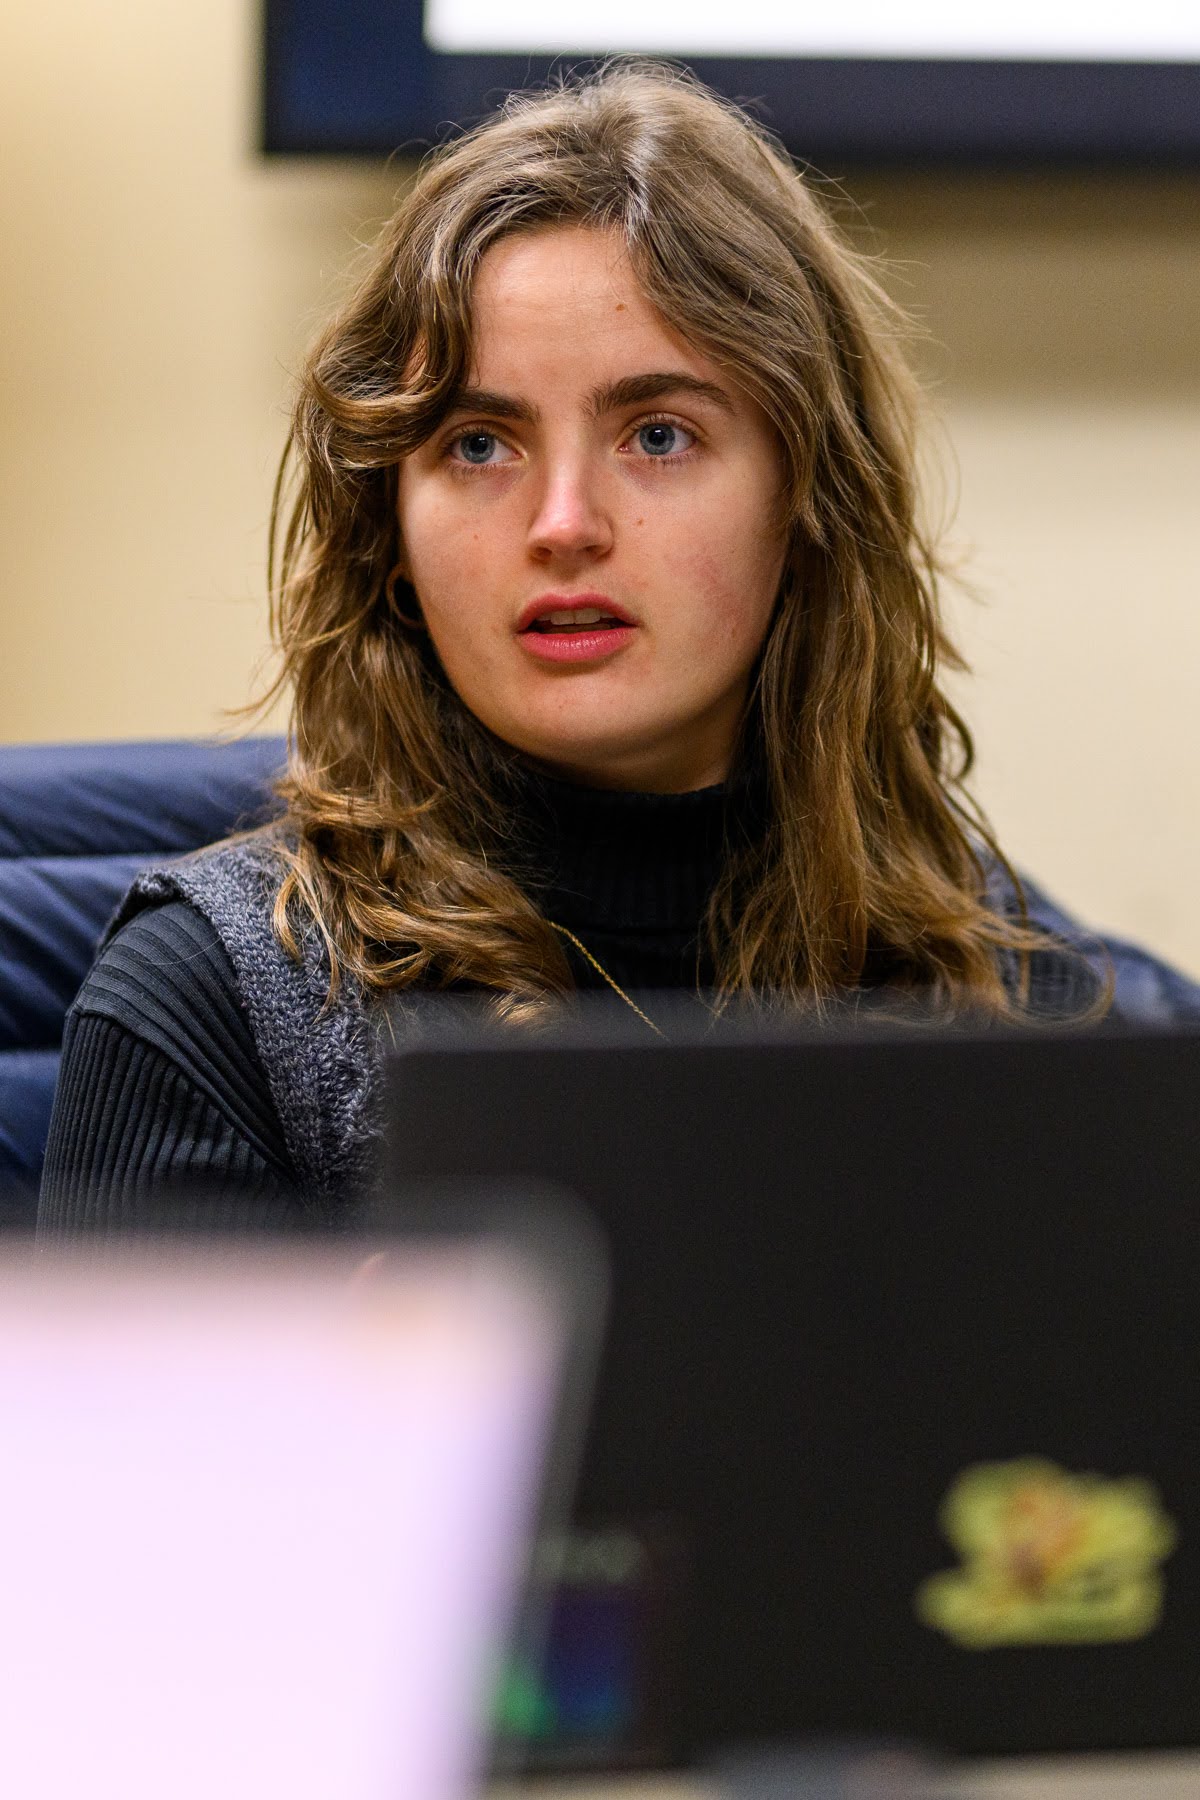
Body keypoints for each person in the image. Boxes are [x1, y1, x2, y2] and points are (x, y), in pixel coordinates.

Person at [37, 64, 1197, 1234]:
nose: (563, 524)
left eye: (657, 434)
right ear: (390, 532)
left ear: (806, 512)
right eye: (479, 445)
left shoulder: (1000, 986)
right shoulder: (206, 1005)